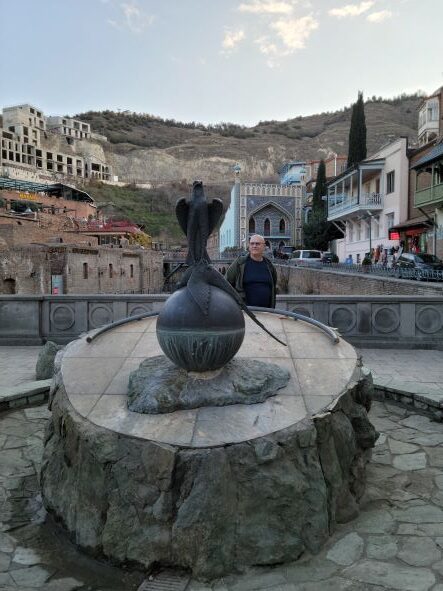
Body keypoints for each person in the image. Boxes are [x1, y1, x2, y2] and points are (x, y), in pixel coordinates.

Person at [226, 234, 277, 308]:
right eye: (252, 243)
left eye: (257, 244)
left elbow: (273, 287)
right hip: (245, 312)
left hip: (266, 312)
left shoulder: (269, 266)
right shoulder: (240, 263)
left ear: (264, 246)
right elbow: (226, 282)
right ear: (249, 246)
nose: (254, 246)